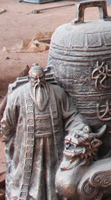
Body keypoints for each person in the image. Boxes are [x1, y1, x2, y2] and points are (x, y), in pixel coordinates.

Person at [1, 65, 88, 200]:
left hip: (52, 145)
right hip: (27, 148)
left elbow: (72, 115)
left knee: (51, 175)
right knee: (26, 179)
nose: (38, 81)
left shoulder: (57, 93)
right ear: (29, 78)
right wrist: (9, 140)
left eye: (40, 78)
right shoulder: (18, 95)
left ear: (44, 78)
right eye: (35, 79)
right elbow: (8, 123)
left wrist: (79, 128)